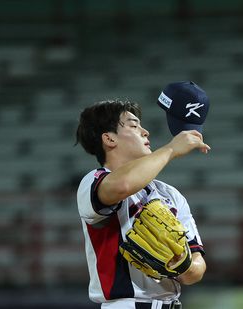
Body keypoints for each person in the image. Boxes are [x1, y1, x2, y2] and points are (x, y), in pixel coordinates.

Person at [75, 82, 210, 309]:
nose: (145, 131)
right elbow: (123, 185)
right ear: (109, 139)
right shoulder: (94, 180)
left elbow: (196, 270)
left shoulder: (170, 194)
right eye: (134, 125)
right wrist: (170, 149)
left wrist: (183, 264)